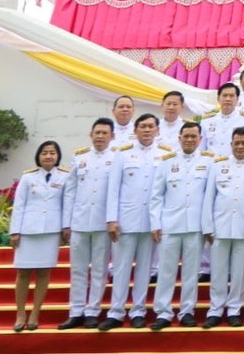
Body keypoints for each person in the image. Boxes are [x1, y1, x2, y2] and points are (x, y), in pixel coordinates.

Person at [100, 113, 164, 331]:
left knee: (145, 269)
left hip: (150, 223)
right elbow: (113, 188)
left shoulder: (164, 156)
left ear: (158, 131)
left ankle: (138, 310)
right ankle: (116, 311)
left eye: (151, 126)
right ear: (135, 131)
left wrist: (160, 222)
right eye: (143, 127)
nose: (147, 130)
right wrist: (111, 219)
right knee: (120, 268)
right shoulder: (123, 154)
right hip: (125, 220)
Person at [203, 126, 244, 328]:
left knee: (239, 273)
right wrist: (207, 227)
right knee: (218, 270)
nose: (240, 146)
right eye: (237, 143)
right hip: (219, 227)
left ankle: (234, 309)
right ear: (231, 144)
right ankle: (215, 309)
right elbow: (208, 199)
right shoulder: (217, 166)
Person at [149, 122, 210, 330]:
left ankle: (187, 311)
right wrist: (155, 223)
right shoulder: (166, 162)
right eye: (186, 136)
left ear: (200, 139)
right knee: (166, 270)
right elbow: (156, 196)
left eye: (194, 136)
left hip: (195, 225)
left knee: (191, 272)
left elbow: (210, 197)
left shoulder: (209, 162)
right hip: (170, 225)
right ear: (179, 138)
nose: (190, 140)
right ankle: (163, 312)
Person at [59, 119, 114, 330]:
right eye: (97, 132)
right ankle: (76, 311)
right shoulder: (80, 157)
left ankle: (93, 311)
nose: (100, 136)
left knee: (99, 269)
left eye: (104, 133)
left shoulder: (116, 158)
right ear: (91, 134)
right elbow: (70, 191)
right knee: (78, 269)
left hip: (102, 223)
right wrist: (67, 222)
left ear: (112, 136)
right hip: (79, 221)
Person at [9, 140, 66, 332]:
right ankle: (20, 313)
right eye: (44, 153)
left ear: (57, 156)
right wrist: (15, 231)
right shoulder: (28, 177)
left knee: (44, 273)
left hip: (51, 230)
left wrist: (65, 229)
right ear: (38, 156)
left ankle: (35, 313)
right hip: (28, 230)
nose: (49, 156)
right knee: (23, 272)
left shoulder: (65, 177)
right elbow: (19, 205)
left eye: (52, 153)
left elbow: (67, 204)